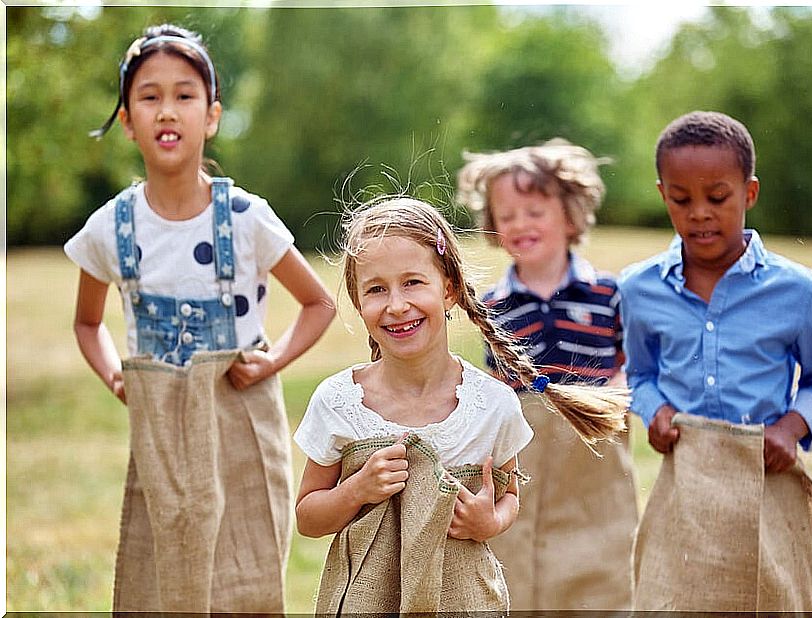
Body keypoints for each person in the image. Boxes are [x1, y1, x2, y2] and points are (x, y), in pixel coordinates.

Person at [64, 24, 336, 612]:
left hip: (241, 411)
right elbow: (88, 323)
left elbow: (321, 304)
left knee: (247, 564)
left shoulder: (246, 218)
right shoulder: (112, 227)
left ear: (211, 116)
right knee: (166, 564)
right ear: (128, 120)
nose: (168, 109)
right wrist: (116, 375)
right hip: (162, 426)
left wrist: (273, 361)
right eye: (149, 95)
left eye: (185, 95)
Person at [293, 196, 627, 614]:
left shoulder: (492, 404)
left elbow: (509, 498)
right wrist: (358, 490)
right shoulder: (339, 402)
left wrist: (490, 522)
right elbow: (307, 518)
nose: (396, 305)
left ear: (448, 289)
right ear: (360, 306)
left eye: (413, 282)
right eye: (377, 289)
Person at [619, 110, 812, 611]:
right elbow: (640, 373)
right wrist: (654, 410)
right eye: (682, 200)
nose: (699, 212)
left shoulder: (798, 290)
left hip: (765, 480)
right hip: (685, 486)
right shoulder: (639, 288)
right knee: (671, 600)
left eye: (717, 197)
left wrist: (790, 429)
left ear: (749, 193)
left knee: (772, 601)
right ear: (663, 196)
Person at [456, 138, 638, 610]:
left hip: (593, 457)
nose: (520, 225)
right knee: (517, 565)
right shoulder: (492, 305)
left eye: (534, 211)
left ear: (570, 215)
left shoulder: (607, 293)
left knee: (599, 570)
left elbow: (626, 366)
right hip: (525, 451)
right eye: (507, 215)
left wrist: (617, 400)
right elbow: (496, 383)